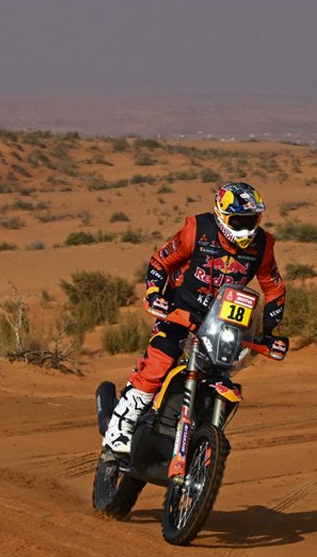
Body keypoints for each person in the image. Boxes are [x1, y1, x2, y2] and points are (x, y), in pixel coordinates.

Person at [102, 181, 289, 455]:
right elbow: (160, 261)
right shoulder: (197, 230)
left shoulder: (262, 245)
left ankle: (198, 437)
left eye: (253, 219)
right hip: (179, 311)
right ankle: (120, 429)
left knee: (221, 371)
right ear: (222, 216)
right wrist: (155, 293)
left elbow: (274, 287)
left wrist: (272, 333)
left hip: (223, 323)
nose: (248, 228)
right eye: (239, 220)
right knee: (159, 362)